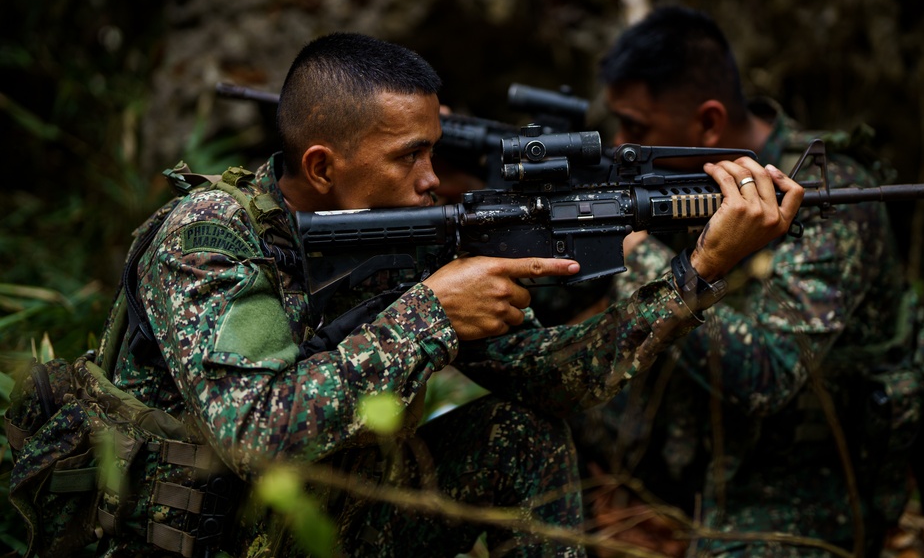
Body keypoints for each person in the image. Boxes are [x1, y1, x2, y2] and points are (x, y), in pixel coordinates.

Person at [97, 31, 802, 557]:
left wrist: (695, 274)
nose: (434, 177)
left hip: (328, 524)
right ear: (321, 165)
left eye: (435, 150)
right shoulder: (209, 238)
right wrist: (431, 312)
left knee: (519, 437)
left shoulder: (404, 235)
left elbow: (555, 379)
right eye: (410, 154)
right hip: (200, 542)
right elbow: (252, 435)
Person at [570, 5, 913, 557]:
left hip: (800, 474)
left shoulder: (829, 196)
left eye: (636, 128)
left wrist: (638, 254)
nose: (619, 145)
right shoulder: (664, 177)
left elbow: (770, 375)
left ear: (708, 122)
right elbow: (564, 297)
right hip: (687, 432)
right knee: (527, 409)